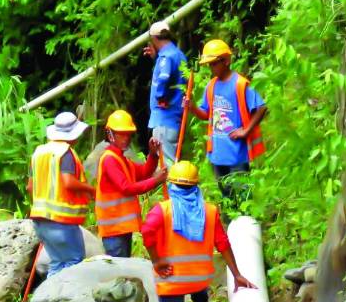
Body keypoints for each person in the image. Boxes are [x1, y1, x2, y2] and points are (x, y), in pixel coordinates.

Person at [141, 160, 256, 302]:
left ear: (171, 185)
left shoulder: (162, 211)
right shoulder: (209, 211)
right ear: (196, 186)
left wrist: (157, 261)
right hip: (199, 279)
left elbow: (146, 233)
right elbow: (222, 243)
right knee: (200, 296)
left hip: (171, 279)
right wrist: (238, 274)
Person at [188, 39, 267, 210]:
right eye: (209, 64)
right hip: (217, 153)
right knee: (226, 197)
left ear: (226, 61)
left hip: (237, 153)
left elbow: (261, 107)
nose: (211, 68)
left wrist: (246, 130)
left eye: (214, 63)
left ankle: (247, 225)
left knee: (244, 194)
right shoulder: (211, 86)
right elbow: (205, 114)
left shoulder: (239, 84)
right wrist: (192, 108)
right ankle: (231, 226)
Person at [28, 111, 96, 275]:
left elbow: (30, 187)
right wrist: (91, 189)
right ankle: (67, 300)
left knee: (57, 264)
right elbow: (68, 182)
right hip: (61, 221)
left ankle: (48, 299)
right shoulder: (65, 153)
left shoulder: (39, 153)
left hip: (39, 220)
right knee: (74, 262)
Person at [95, 109, 167, 257]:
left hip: (121, 229)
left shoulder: (122, 159)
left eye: (128, 134)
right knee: (120, 275)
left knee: (123, 273)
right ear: (110, 134)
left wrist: (152, 155)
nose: (126, 138)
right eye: (122, 134)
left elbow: (144, 173)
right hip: (114, 230)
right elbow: (126, 188)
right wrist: (156, 180)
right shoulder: (110, 159)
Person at [145, 21, 191, 165]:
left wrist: (160, 96)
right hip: (174, 118)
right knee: (171, 161)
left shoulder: (166, 57)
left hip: (164, 119)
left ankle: (173, 189)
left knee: (168, 166)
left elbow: (164, 78)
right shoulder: (178, 55)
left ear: (154, 39)